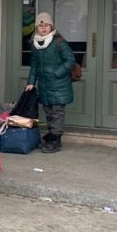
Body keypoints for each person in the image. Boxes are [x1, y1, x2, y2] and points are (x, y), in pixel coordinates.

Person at [25, 12, 75, 154]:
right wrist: (31, 82)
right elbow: (34, 65)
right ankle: (52, 137)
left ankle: (55, 140)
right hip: (44, 85)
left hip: (59, 84)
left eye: (46, 25)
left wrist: (56, 73)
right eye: (40, 26)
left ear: (51, 26)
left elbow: (70, 60)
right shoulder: (35, 44)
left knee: (57, 112)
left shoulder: (58, 42)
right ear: (36, 28)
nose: (44, 28)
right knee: (48, 112)